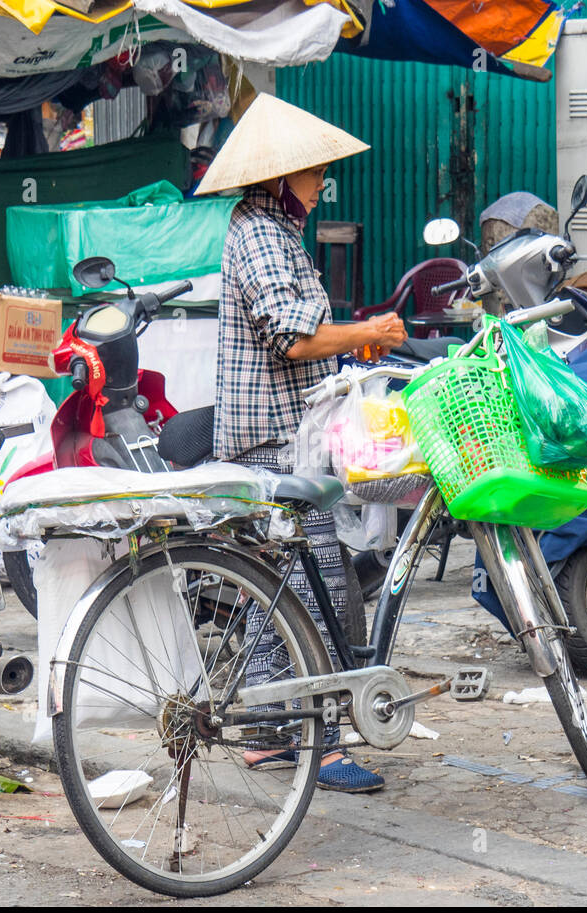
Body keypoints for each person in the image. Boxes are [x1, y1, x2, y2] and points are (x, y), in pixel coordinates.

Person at [197, 94, 406, 793]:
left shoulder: (276, 233)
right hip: (275, 446)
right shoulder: (257, 232)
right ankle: (319, 743)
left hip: (292, 438)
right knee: (320, 591)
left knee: (281, 588)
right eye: (315, 174)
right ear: (282, 177)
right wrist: (371, 332)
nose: (322, 186)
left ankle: (264, 737)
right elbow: (295, 338)